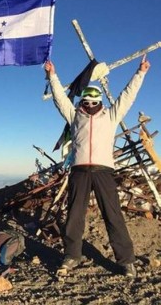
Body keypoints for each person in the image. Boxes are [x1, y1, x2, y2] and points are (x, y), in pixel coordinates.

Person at [44, 56, 150, 278]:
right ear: (82, 101)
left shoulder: (111, 115)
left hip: (103, 171)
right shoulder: (74, 116)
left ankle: (126, 261)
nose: (90, 105)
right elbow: (60, 99)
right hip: (80, 171)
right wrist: (52, 75)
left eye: (94, 101)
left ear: (100, 101)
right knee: (74, 216)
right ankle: (72, 256)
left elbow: (127, 97)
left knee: (113, 215)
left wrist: (140, 73)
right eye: (86, 101)